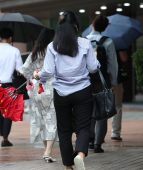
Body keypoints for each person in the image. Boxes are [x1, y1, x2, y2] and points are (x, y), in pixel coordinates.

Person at [33, 12, 100, 170]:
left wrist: (37, 75)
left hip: (61, 93)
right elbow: (93, 68)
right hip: (82, 91)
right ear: (76, 27)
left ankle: (68, 167)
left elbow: (48, 72)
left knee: (64, 131)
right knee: (83, 127)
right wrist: (97, 61)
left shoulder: (52, 46)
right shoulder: (85, 43)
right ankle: (80, 155)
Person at [18, 28, 58, 162]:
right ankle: (48, 151)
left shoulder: (34, 53)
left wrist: (33, 76)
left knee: (40, 121)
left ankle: (47, 152)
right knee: (51, 120)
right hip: (51, 89)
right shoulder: (53, 51)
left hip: (37, 91)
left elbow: (23, 70)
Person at [0, 28, 23, 147]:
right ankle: (5, 138)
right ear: (10, 38)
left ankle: (3, 135)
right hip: (8, 84)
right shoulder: (15, 51)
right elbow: (20, 69)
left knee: (1, 109)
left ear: (0, 37)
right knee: (9, 111)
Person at [86, 15, 118, 153]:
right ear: (104, 28)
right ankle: (98, 143)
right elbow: (112, 64)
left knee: (88, 108)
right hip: (102, 79)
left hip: (86, 80)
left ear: (92, 24)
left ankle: (90, 140)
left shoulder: (83, 40)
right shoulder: (108, 41)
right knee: (102, 108)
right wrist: (113, 81)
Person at [111, 50, 128, 141]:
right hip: (115, 77)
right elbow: (124, 58)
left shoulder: (91, 40)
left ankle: (97, 136)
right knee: (117, 105)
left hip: (99, 77)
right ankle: (115, 132)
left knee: (98, 105)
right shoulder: (116, 42)